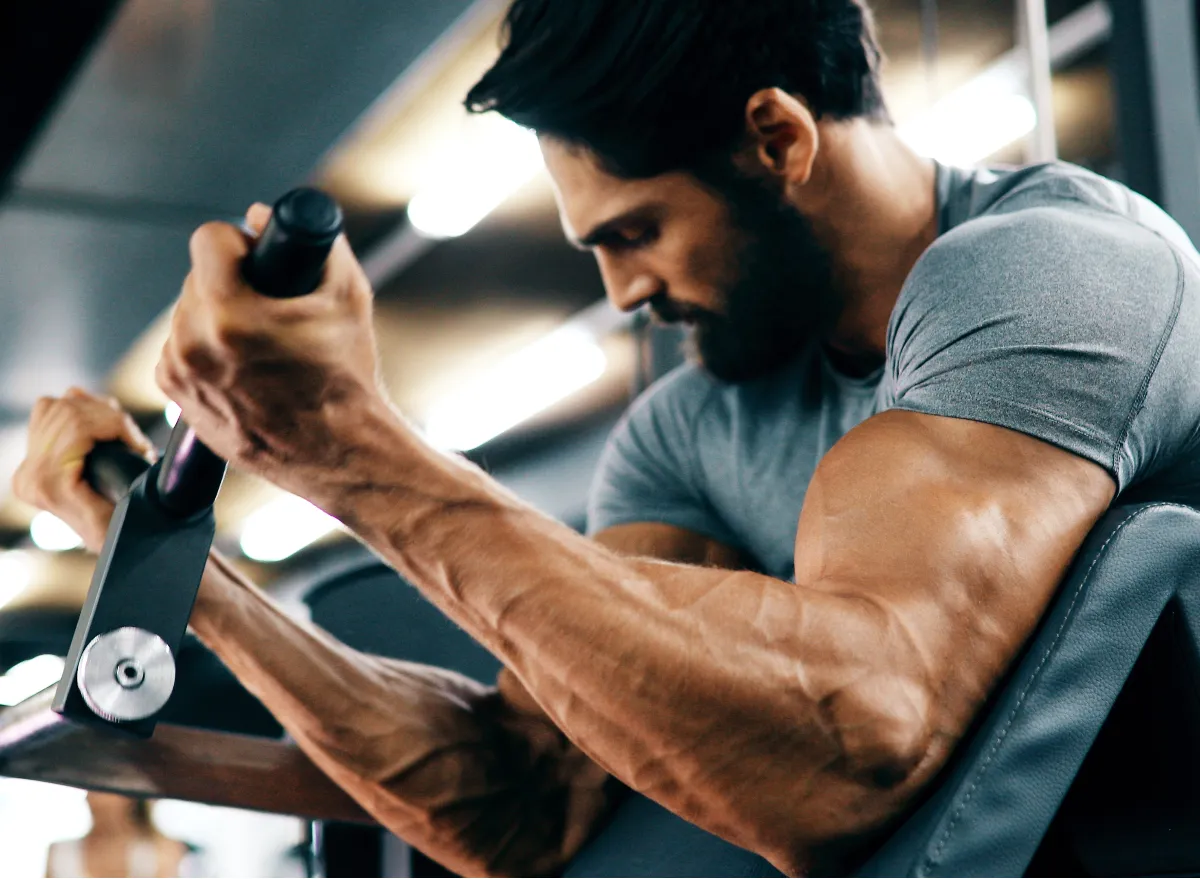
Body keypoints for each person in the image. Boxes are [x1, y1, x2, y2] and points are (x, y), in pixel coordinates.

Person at [14, 0, 1200, 874]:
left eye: (633, 231)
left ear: (777, 138)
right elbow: (524, 801)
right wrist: (173, 560)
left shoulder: (1053, 272)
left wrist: (350, 450)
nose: (625, 293)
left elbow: (856, 742)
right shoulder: (688, 428)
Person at [46, 792, 194, 878]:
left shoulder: (162, 851)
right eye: (89, 789)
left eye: (101, 790)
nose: (92, 799)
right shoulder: (60, 852)